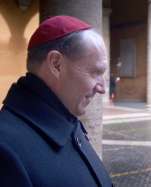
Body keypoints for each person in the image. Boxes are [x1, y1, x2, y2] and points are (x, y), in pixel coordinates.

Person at [0, 15, 113, 187]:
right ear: (56, 64)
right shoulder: (5, 149)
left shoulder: (67, 119)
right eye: (95, 72)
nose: (102, 88)